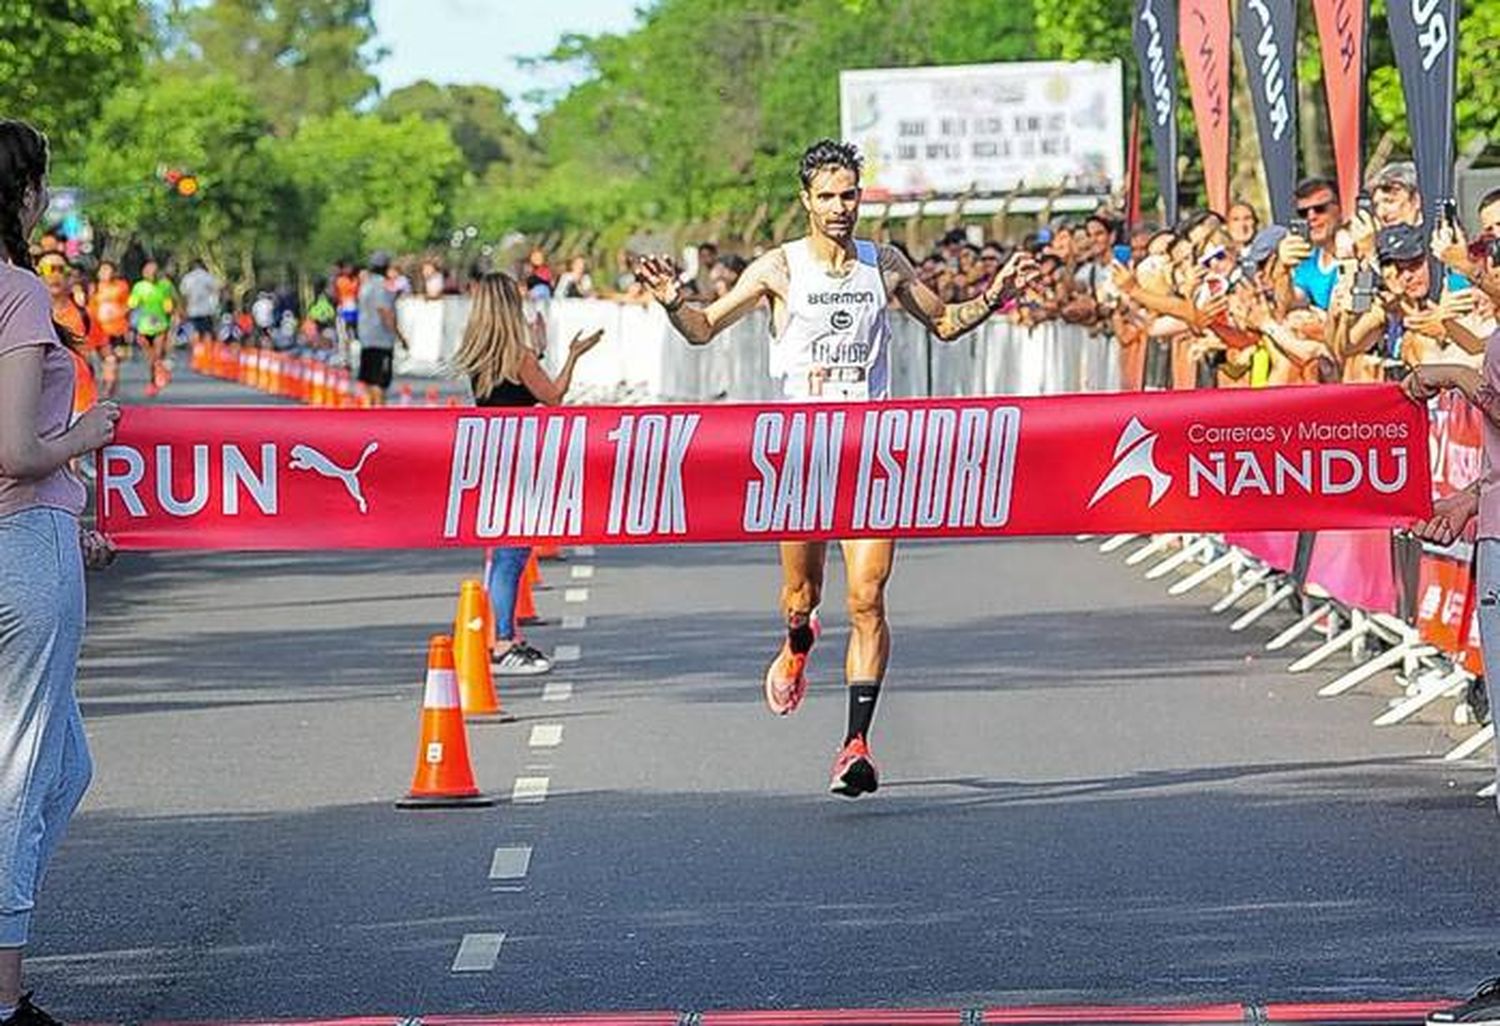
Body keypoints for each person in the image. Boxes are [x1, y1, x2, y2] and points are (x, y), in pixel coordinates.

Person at [634, 139, 1037, 797]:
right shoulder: (778, 268)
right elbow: (704, 328)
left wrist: (995, 296)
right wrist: (673, 300)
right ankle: (797, 643)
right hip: (801, 454)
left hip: (871, 452)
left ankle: (855, 746)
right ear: (806, 201)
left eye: (849, 194)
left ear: (861, 196)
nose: (840, 207)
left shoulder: (886, 265)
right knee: (803, 597)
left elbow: (943, 324)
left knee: (868, 595)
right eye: (827, 196)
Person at [0, 117, 121, 1026]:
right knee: (22, 767)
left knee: (65, 765)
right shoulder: (19, 294)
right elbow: (17, 449)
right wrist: (87, 432)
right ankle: (6, 993)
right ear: (27, 194)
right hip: (19, 546)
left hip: (36, 533)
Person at [449, 271, 603, 675]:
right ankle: (503, 641)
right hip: (518, 460)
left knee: (505, 551)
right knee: (512, 553)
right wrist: (572, 355)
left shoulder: (480, 354)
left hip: (492, 457)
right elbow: (552, 397)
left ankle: (504, 634)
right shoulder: (518, 356)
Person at [356, 251, 406, 405]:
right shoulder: (382, 286)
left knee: (370, 380)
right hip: (381, 340)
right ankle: (379, 415)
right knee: (380, 382)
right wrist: (400, 336)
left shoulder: (366, 284)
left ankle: (371, 413)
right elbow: (384, 311)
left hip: (366, 338)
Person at [127, 258, 177, 397]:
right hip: (144, 326)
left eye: (154, 271)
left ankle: (154, 381)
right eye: (148, 270)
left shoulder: (165, 285)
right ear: (144, 272)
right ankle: (158, 373)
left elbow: (171, 304)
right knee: (151, 358)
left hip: (160, 325)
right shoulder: (139, 286)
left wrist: (172, 311)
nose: (152, 273)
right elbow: (132, 304)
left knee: (157, 353)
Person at [88, 260, 129, 400]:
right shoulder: (93, 289)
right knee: (107, 361)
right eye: (103, 270)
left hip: (117, 329)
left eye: (109, 270)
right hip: (100, 331)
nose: (106, 273)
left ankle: (109, 389)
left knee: (113, 360)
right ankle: (107, 388)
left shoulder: (121, 286)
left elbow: (127, 305)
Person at [178, 259, 221, 349]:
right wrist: (215, 307)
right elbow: (216, 291)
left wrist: (183, 310)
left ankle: (196, 351)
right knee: (207, 332)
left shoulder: (187, 278)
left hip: (192, 310)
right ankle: (207, 352)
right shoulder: (208, 276)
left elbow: (184, 295)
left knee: (194, 331)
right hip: (206, 311)